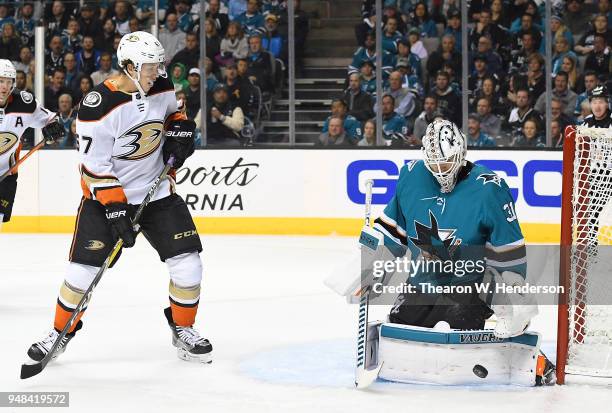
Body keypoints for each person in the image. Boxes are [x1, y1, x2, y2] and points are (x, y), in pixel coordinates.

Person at [25, 31, 212, 365]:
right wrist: (115, 208)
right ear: (129, 66)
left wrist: (181, 133)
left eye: (159, 64)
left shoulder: (161, 84)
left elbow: (172, 116)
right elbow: (93, 166)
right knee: (82, 272)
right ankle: (59, 331)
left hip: (158, 193)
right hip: (106, 201)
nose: (158, 71)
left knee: (188, 264)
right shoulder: (98, 106)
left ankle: (183, 328)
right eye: (150, 66)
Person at [369, 119, 551, 384]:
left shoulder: (490, 187)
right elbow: (392, 231)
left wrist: (513, 296)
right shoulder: (410, 175)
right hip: (424, 281)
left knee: (461, 324)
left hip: (470, 283)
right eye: (435, 165)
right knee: (400, 324)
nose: (441, 171)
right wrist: (370, 267)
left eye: (447, 163)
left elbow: (508, 249)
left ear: (462, 152)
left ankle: (537, 360)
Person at [0, 59, 64, 231]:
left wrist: (53, 126)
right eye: (0, 81)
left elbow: (50, 118)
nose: (4, 86)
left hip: (6, 175)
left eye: (8, 81)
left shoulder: (24, 103)